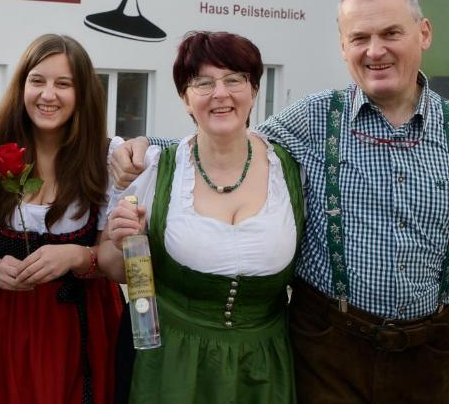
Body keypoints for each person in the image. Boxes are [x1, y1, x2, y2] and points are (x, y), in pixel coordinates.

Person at [113, 0, 449, 403]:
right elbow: (228, 143)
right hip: (325, 349)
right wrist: (146, 147)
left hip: (426, 353)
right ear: (343, 48)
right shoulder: (314, 118)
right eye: (359, 38)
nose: (375, 51)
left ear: (424, 33)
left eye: (391, 33)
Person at [99, 31, 303, 404]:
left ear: (254, 90)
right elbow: (114, 268)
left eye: (234, 79)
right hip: (172, 364)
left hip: (263, 366)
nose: (220, 93)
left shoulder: (289, 169)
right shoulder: (156, 170)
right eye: (203, 83)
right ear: (185, 98)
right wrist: (117, 239)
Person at [0, 34, 123, 404]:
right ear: (22, 86)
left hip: (85, 320)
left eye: (64, 84)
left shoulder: (109, 157)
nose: (48, 94)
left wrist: (82, 257)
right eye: (38, 81)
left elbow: (122, 262)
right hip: (11, 319)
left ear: (83, 94)